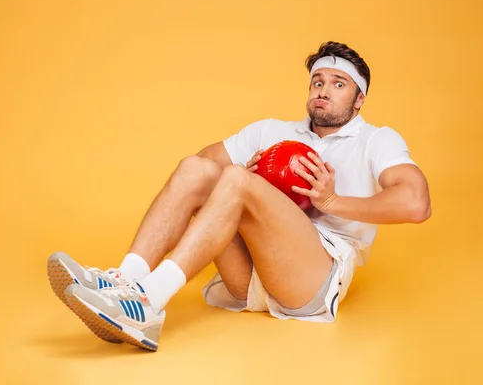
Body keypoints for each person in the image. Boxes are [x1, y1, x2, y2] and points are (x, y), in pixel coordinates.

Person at [47, 41, 431, 352]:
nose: (323, 91)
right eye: (317, 82)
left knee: (234, 180)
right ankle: (126, 282)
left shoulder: (376, 140)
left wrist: (331, 202)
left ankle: (146, 302)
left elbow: (416, 204)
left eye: (338, 84)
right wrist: (243, 182)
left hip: (313, 278)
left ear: (359, 99)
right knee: (197, 169)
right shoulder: (271, 132)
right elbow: (197, 171)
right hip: (249, 276)